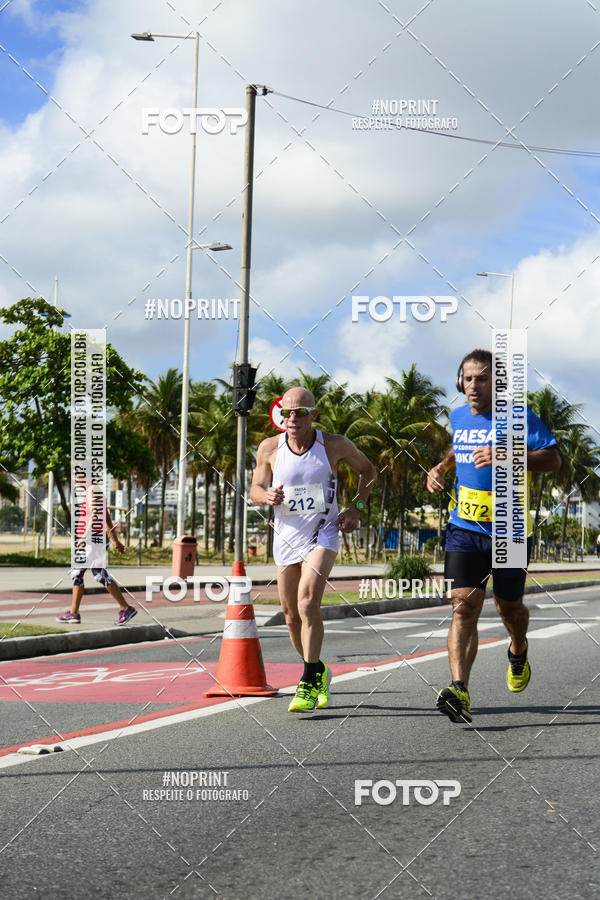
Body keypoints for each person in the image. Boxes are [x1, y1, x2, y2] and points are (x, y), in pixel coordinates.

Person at [426, 349, 560, 724]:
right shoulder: (457, 416)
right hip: (464, 528)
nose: (473, 385)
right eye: (467, 378)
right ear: (459, 381)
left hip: (511, 530)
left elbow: (553, 460)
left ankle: (518, 648)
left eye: (481, 378)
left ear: (496, 383)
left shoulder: (518, 417)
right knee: (463, 607)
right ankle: (459, 690)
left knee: (508, 608)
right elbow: (460, 446)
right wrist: (441, 466)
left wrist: (509, 455)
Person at [250, 386, 377, 713]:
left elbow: (369, 471)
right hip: (285, 536)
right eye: (287, 412)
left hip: (324, 532)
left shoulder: (333, 445)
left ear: (313, 415)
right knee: (291, 616)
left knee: (308, 602)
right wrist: (266, 497)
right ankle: (318, 668)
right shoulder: (269, 448)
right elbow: (255, 488)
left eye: (300, 412)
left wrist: (355, 508)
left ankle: (307, 681)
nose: (292, 418)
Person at [57, 490, 137, 626]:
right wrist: (115, 540)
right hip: (93, 540)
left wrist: (83, 537)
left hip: (93, 541)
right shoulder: (94, 491)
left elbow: (95, 516)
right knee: (78, 574)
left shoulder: (93, 491)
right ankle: (74, 613)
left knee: (98, 574)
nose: (76, 477)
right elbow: (106, 518)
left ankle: (126, 608)